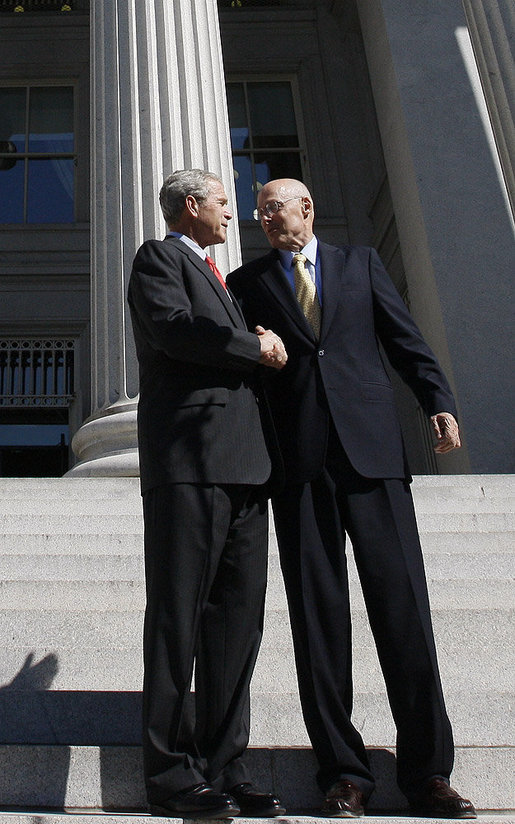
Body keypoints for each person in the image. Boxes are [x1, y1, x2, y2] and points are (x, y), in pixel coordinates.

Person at [227, 178, 476, 819]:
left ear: (306, 208)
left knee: (404, 614)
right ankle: (345, 773)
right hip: (300, 469)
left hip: (373, 460)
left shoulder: (359, 264)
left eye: (273, 207)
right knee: (319, 625)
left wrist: (438, 404)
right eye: (257, 212)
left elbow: (403, 341)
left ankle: (428, 774)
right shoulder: (245, 282)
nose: (263, 218)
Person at [128, 169, 287, 819]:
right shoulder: (160, 258)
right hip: (189, 465)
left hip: (246, 471)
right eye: (223, 201)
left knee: (235, 627)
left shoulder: (223, 278)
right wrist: (252, 345)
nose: (232, 212)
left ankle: (225, 767)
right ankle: (170, 776)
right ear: (190, 206)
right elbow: (175, 330)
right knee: (178, 618)